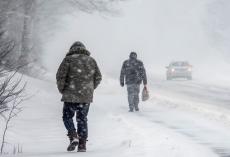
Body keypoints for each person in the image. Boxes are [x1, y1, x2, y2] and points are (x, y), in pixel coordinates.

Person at [56, 41, 102, 152]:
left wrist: (62, 90)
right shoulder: (91, 60)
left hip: (70, 94)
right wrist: (90, 89)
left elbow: (60, 76)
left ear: (72, 49)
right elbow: (98, 77)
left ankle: (73, 136)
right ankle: (82, 145)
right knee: (82, 119)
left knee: (67, 117)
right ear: (83, 49)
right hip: (85, 96)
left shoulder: (68, 59)